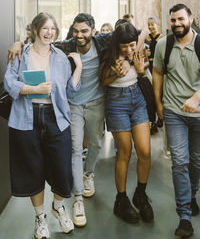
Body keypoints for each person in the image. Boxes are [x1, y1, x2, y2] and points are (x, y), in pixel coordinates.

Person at [7, 13, 139, 227]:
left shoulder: (100, 42)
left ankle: (86, 177)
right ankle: (77, 200)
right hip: (71, 105)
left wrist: (128, 58)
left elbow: (133, 34)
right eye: (76, 31)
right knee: (75, 150)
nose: (80, 35)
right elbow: (40, 44)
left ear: (93, 31)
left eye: (84, 31)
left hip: (92, 103)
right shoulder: (65, 47)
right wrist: (18, 42)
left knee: (93, 144)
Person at [4, 12, 82, 239]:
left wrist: (78, 68)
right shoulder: (20, 54)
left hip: (55, 117)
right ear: (36, 30)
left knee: (62, 169)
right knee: (33, 169)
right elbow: (10, 84)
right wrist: (35, 90)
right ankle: (40, 218)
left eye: (53, 29)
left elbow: (70, 91)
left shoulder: (60, 57)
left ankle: (58, 207)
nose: (49, 33)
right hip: (26, 118)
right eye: (45, 28)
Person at [99, 22, 154, 224]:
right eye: (125, 46)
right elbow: (103, 80)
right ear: (117, 43)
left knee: (145, 151)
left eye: (132, 45)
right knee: (125, 152)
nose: (130, 49)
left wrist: (137, 67)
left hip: (137, 99)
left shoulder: (137, 51)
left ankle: (140, 194)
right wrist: (117, 72)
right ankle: (121, 200)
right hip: (116, 102)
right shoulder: (109, 55)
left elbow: (144, 34)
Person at [153, 3, 200, 237]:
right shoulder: (164, 44)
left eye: (181, 19)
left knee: (196, 161)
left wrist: (196, 97)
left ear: (191, 19)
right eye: (173, 20)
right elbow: (158, 73)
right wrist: (160, 106)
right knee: (179, 162)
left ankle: (191, 195)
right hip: (174, 112)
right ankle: (184, 216)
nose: (177, 24)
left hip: (199, 114)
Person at [145, 17, 163, 134]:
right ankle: (152, 121)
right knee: (150, 94)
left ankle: (160, 116)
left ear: (157, 24)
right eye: (149, 25)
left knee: (159, 92)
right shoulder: (146, 38)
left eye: (153, 24)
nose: (151, 27)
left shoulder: (162, 38)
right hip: (148, 66)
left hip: (158, 67)